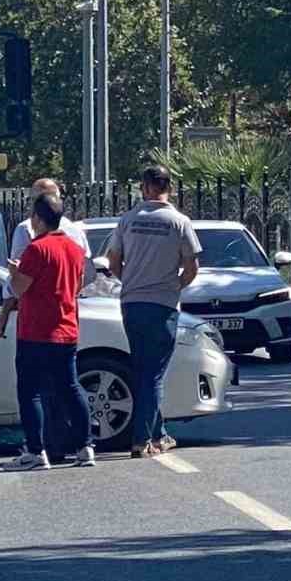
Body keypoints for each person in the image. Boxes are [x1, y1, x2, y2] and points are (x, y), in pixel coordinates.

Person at [106, 165, 201, 458]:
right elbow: (192, 266)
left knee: (143, 370)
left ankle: (159, 434)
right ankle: (142, 439)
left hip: (132, 304)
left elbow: (113, 262)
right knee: (154, 373)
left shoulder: (128, 220)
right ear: (168, 187)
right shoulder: (179, 221)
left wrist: (132, 280)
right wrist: (173, 286)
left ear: (144, 188)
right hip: (163, 305)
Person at [0, 194, 97, 470]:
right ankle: (85, 446)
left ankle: (34, 450)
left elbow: (19, 287)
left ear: (38, 218)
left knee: (30, 391)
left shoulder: (36, 249)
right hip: (66, 327)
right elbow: (76, 285)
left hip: (36, 330)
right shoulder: (74, 249)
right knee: (70, 387)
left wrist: (13, 271)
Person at [0, 178, 93, 342]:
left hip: (36, 327)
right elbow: (83, 277)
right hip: (68, 324)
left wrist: (4, 313)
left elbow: (18, 286)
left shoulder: (30, 235)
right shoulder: (76, 234)